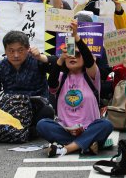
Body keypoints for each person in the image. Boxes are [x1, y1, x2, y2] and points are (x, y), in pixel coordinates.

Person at [38, 20, 114, 157]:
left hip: (90, 128)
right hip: (65, 129)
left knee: (105, 125)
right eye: (70, 54)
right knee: (43, 124)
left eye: (78, 55)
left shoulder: (92, 75)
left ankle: (66, 148)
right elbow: (52, 83)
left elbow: (90, 60)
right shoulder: (61, 76)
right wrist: (60, 59)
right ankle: (86, 144)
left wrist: (76, 37)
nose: (73, 56)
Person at [0, 30, 56, 142]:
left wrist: (41, 57)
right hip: (10, 106)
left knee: (47, 112)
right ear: (5, 51)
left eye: (20, 50)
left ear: (28, 49)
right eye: (11, 51)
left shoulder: (38, 62)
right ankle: (15, 131)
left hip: (35, 106)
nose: (16, 55)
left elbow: (57, 65)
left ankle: (25, 131)